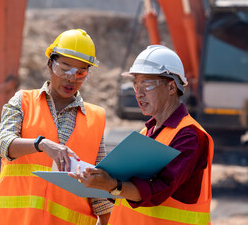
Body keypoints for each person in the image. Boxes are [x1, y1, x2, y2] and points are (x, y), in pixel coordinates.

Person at [69, 45, 214, 225]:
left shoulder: (190, 135)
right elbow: (127, 191)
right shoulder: (148, 132)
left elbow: (158, 190)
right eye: (136, 84)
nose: (139, 92)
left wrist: (113, 185)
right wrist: (102, 181)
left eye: (147, 84)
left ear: (171, 87)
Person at [0, 29, 113, 225]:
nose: (71, 79)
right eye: (64, 69)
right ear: (50, 64)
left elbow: (98, 189)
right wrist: (42, 144)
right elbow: (3, 144)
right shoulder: (23, 102)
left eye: (80, 73)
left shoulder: (96, 118)